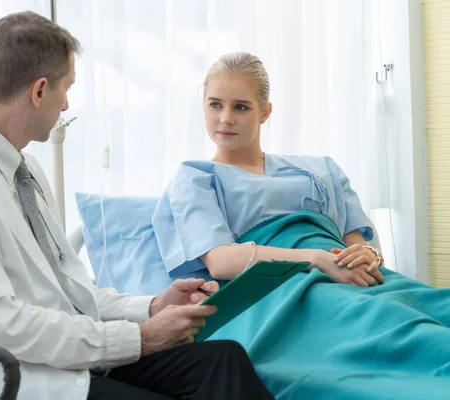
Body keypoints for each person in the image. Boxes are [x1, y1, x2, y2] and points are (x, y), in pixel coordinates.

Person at [0, 14, 274, 400]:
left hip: (56, 363)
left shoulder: (24, 170)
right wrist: (139, 338)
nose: (67, 103)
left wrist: (152, 307)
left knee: (222, 361)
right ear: (40, 91)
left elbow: (68, 291)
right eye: (67, 88)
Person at [152, 52, 450, 399]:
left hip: (349, 275)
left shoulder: (320, 170)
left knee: (430, 307)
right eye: (215, 105)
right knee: (396, 329)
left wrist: (367, 257)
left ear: (265, 112)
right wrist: (315, 259)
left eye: (241, 107)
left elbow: (362, 244)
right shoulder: (196, 178)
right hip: (278, 294)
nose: (225, 119)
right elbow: (220, 261)